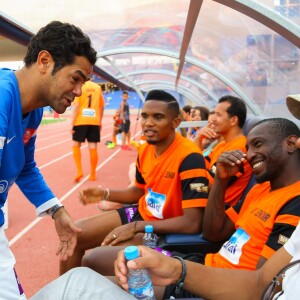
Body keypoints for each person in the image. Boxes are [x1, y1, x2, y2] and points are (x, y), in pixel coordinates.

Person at [28, 96, 300, 300]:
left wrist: (175, 266)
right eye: (144, 115)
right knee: (84, 254)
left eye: (257, 145)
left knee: (84, 281)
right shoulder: (261, 187)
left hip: (196, 262)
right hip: (190, 251)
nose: (249, 154)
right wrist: (221, 178)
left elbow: (260, 284)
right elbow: (215, 232)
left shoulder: (190, 157)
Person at [59, 90, 209, 275]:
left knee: (93, 259)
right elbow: (137, 191)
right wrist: (105, 193)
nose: (148, 123)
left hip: (162, 228)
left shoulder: (190, 157)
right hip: (142, 214)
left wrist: (136, 227)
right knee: (75, 233)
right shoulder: (146, 148)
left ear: (175, 122)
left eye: (158, 117)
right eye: (145, 116)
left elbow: (192, 222)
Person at [0, 21, 97, 299]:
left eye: (84, 83)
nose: (79, 92)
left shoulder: (33, 111)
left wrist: (56, 210)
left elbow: (26, 168)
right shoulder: (1, 97)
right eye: (75, 78)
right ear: (44, 61)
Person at [205, 95, 253, 207]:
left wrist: (189, 184)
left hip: (217, 211)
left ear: (233, 120)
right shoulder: (221, 145)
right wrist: (199, 139)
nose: (212, 119)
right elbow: (198, 169)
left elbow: (207, 188)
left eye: (218, 115)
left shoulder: (240, 149)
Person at [71, 79, 105, 182]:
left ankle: (79, 171)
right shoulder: (97, 87)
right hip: (94, 120)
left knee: (76, 145)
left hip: (80, 120)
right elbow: (101, 106)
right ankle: (93, 174)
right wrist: (100, 121)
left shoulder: (79, 86)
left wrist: (72, 123)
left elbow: (76, 106)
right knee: (93, 146)